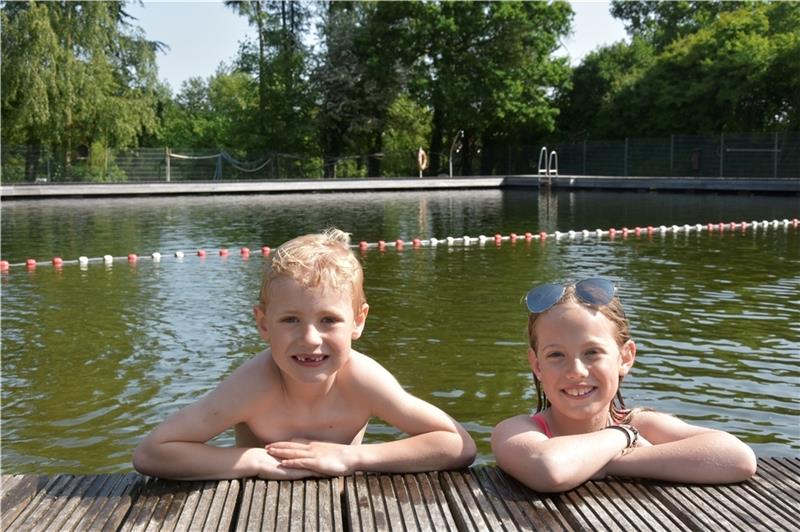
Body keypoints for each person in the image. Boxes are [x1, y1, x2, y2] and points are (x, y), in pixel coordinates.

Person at [133, 228, 476, 480]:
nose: (310, 339)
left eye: (328, 320)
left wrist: (352, 457)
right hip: (251, 509)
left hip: (347, 509)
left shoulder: (361, 380)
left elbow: (458, 445)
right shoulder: (253, 386)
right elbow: (152, 453)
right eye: (290, 320)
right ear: (264, 324)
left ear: (358, 321)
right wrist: (253, 461)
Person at [491, 278, 756, 493]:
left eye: (593, 352)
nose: (576, 371)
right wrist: (624, 437)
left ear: (625, 357)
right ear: (537, 365)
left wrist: (610, 463)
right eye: (556, 355)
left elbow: (737, 458)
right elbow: (550, 468)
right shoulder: (517, 431)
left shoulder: (641, 422)